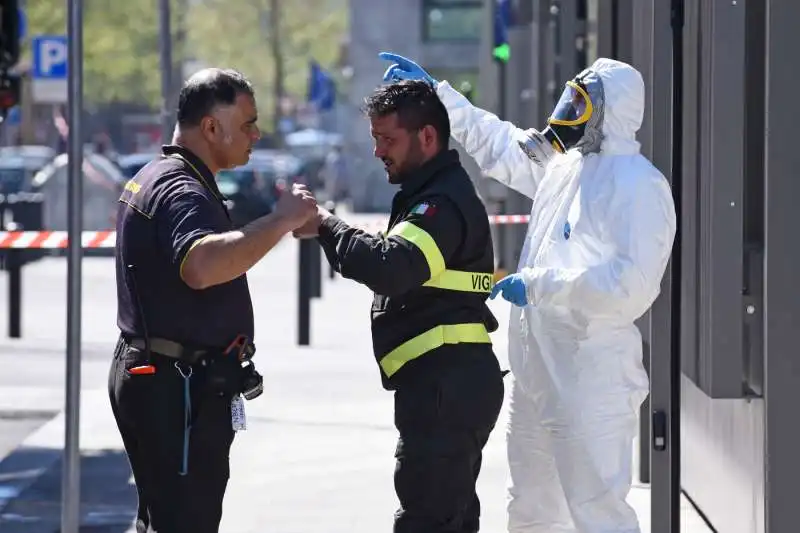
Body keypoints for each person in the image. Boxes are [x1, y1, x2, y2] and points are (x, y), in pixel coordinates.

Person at [380, 53, 677, 533]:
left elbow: (631, 286)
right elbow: (498, 143)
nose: (567, 112)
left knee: (598, 513)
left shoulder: (638, 185)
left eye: (581, 103)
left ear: (610, 111)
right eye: (570, 98)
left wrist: (541, 285)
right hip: (537, 372)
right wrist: (441, 96)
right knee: (532, 511)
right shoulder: (564, 170)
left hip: (591, 378)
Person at [110, 68, 317, 533]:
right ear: (210, 127)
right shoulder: (181, 188)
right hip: (175, 388)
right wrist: (280, 221)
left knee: (166, 519)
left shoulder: (162, 176)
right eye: (247, 123)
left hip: (166, 380)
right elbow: (201, 265)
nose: (256, 134)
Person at [293, 79, 505, 533]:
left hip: (445, 388)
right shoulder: (431, 195)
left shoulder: (441, 203)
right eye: (374, 139)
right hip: (444, 385)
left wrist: (325, 225)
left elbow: (393, 267)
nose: (378, 152)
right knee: (450, 519)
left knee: (427, 521)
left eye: (387, 139)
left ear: (427, 137)